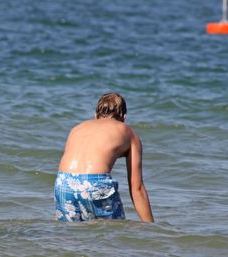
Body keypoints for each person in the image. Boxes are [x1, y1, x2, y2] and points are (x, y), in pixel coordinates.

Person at [54, 92, 154, 223]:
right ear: (124, 117)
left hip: (63, 182)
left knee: (70, 237)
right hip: (95, 183)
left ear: (96, 115)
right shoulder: (128, 132)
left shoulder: (77, 128)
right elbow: (137, 188)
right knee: (114, 234)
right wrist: (152, 229)